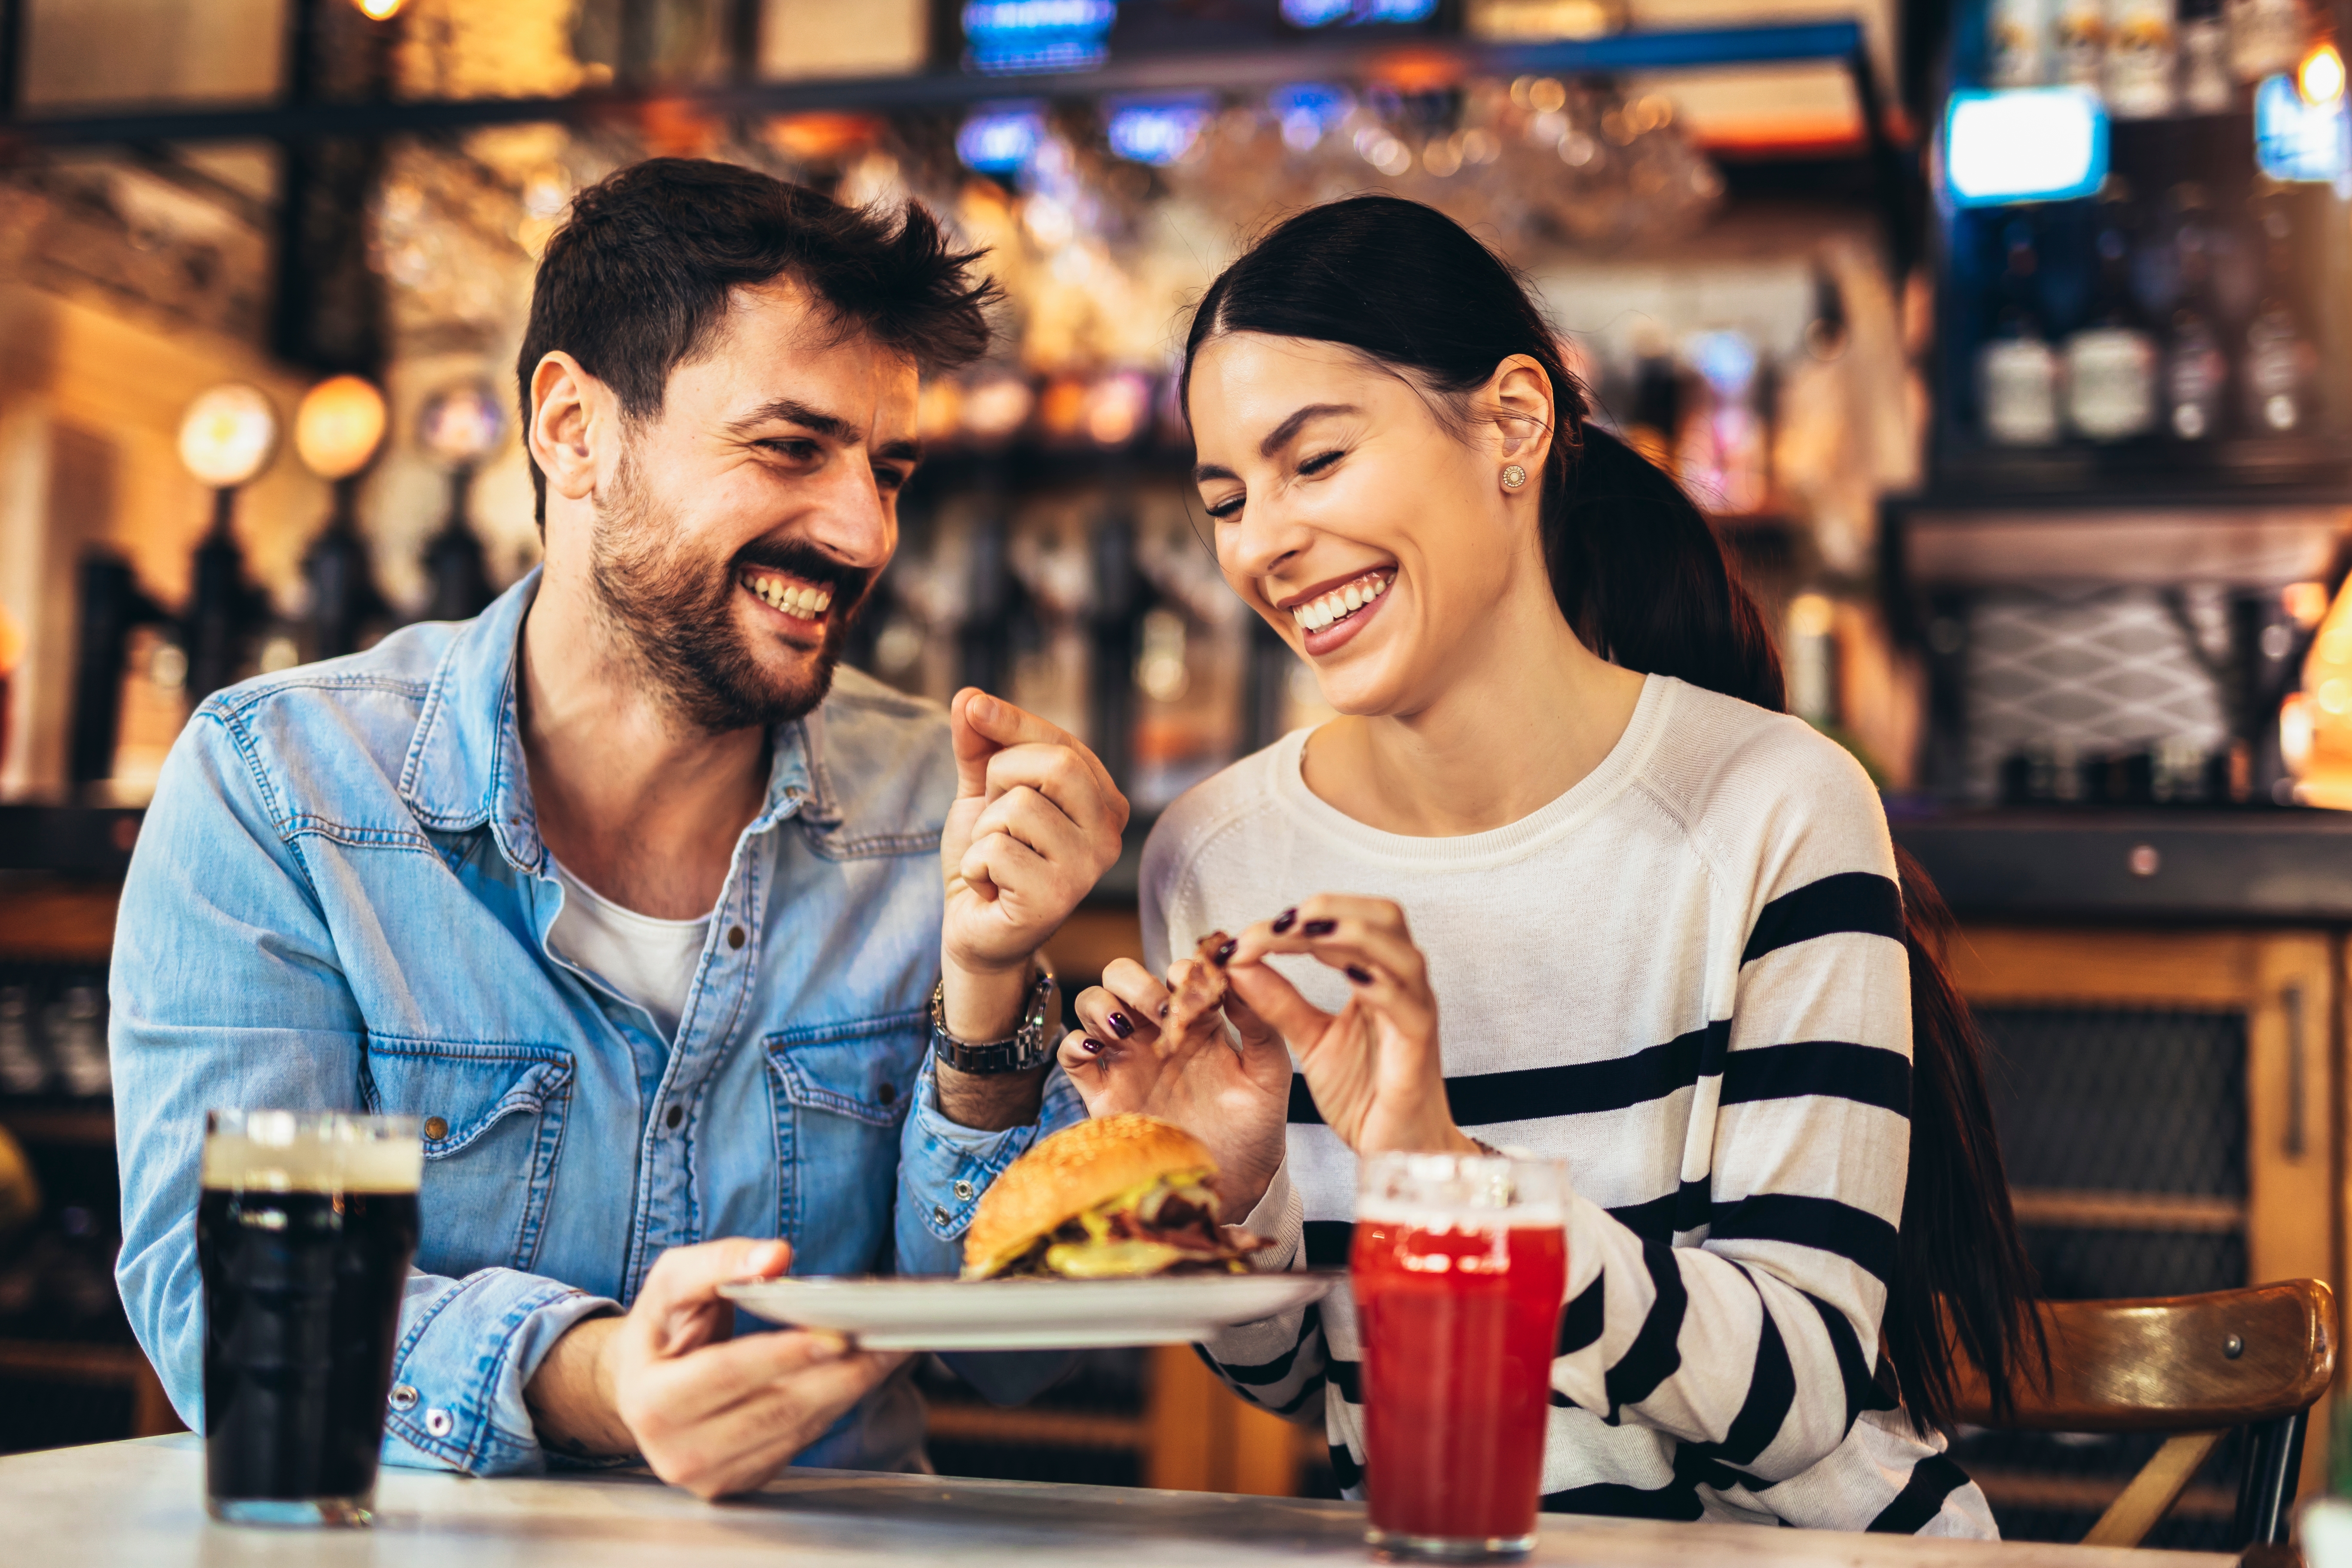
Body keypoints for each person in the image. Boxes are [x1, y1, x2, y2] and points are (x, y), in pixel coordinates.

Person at [111, 159, 1125, 1498]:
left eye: (889, 469)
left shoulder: (936, 809)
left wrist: (991, 1016)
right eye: (790, 447)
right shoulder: (282, 790)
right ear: (574, 428)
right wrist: (598, 1380)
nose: (863, 528)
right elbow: (226, 1297)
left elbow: (1016, 1355)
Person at [1057, 195, 2041, 1536]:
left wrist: (1437, 1169)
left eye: (1317, 461)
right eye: (1227, 499)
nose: (1264, 543)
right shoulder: (1222, 861)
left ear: (1514, 423)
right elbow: (1311, 1382)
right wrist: (1227, 1200)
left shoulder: (1775, 806)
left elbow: (1802, 1388)